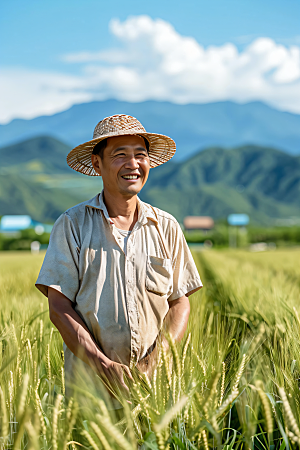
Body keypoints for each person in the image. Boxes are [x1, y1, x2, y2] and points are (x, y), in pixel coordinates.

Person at [35, 114, 202, 400]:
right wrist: (103, 365)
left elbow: (179, 302)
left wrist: (154, 363)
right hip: (91, 394)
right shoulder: (73, 225)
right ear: (97, 163)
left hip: (156, 391)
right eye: (120, 155)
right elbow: (59, 306)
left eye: (140, 155)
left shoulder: (166, 226)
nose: (133, 164)